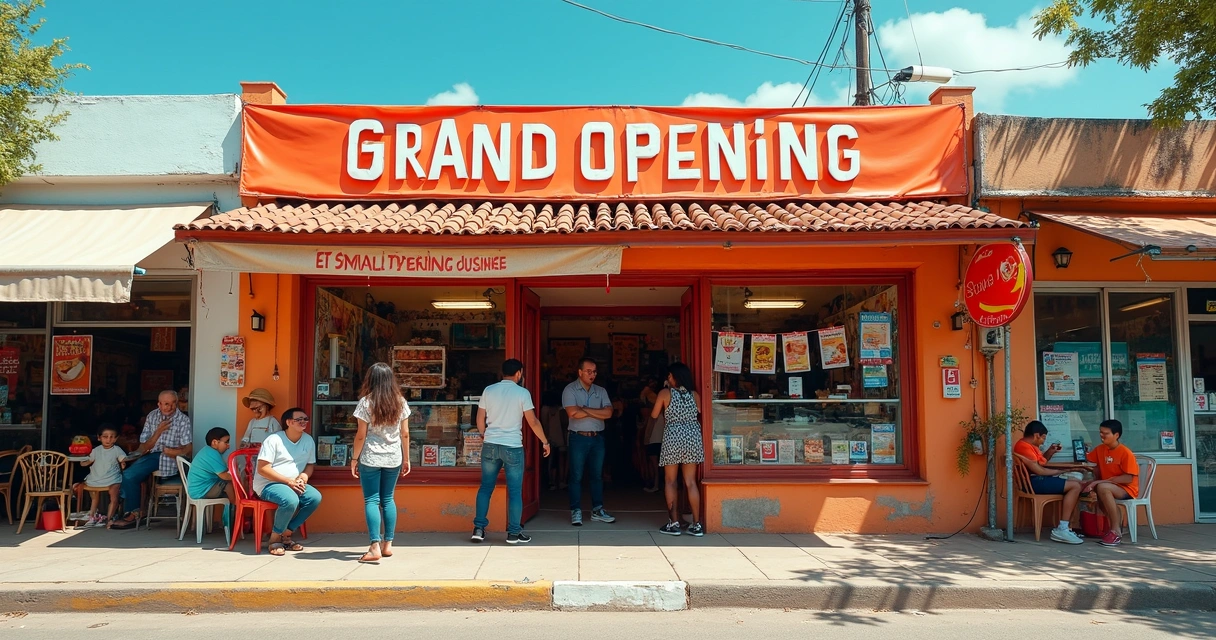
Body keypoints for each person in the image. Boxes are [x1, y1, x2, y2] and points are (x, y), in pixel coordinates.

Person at [472, 359, 551, 544]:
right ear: (519, 373)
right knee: (515, 492)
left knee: (485, 488)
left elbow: (480, 416)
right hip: (513, 447)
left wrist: (484, 434)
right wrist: (545, 441)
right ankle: (514, 533)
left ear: (502, 373)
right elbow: (532, 421)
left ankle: (478, 528)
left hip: (491, 445)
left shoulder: (489, 390)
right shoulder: (522, 393)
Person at [351, 362, 412, 563]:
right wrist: (407, 458)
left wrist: (354, 458)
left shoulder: (365, 403)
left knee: (371, 500)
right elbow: (405, 433)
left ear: (371, 379)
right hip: (393, 457)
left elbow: (361, 435)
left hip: (370, 457)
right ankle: (388, 545)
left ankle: (374, 545)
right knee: (388, 499)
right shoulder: (400, 402)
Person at [112, 390, 193, 530]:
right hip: (154, 456)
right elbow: (144, 446)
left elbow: (188, 449)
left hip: (174, 459)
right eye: (166, 404)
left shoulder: (183, 420)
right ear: (159, 404)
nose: (170, 407)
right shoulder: (152, 416)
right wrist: (158, 432)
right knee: (129, 475)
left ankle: (137, 511)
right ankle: (134, 513)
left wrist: (173, 451)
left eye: (174, 403)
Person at [255, 407, 321, 556]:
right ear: (289, 422)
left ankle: (287, 532)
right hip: (269, 484)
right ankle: (274, 539)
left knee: (314, 497)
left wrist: (304, 476)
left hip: (294, 483)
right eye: (299, 419)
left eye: (305, 419)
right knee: (290, 500)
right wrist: (288, 481)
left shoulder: (308, 439)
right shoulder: (274, 440)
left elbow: (310, 464)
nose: (304, 422)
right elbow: (263, 469)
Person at [651, 362, 706, 536]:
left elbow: (653, 414)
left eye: (669, 376)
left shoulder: (665, 393)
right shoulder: (694, 394)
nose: (668, 378)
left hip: (673, 436)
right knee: (690, 481)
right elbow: (699, 411)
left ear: (676, 377)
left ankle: (673, 523)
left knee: (670, 481)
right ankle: (696, 524)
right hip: (692, 437)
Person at [562, 357, 616, 526]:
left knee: (597, 476)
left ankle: (597, 510)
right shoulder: (569, 390)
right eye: (589, 371)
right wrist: (597, 411)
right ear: (580, 372)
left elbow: (609, 414)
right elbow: (572, 413)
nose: (592, 374)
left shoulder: (600, 391)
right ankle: (575, 510)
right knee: (576, 475)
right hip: (578, 437)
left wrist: (584, 409)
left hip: (597, 438)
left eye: (594, 372)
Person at [1013, 421, 1085, 544]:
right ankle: (1062, 528)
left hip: (1035, 480)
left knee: (1076, 479)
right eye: (1043, 438)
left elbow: (1041, 463)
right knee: (1075, 486)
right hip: (1034, 482)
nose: (1043, 441)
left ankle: (1067, 526)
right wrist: (1059, 472)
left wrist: (1050, 452)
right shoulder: (1024, 447)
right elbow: (1039, 470)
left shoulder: (1030, 446)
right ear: (1036, 435)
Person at [1084, 419, 1140, 547]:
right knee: (1097, 488)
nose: (1102, 436)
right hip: (1108, 486)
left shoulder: (1125, 453)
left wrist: (1100, 481)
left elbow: (1128, 479)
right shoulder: (1100, 449)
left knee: (1102, 487)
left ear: (1116, 435)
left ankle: (1116, 532)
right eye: (1100, 432)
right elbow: (1089, 461)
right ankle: (1111, 527)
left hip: (1126, 488)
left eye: (1106, 433)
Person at [70, 425, 126, 528]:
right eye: (105, 436)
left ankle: (109, 519)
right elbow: (87, 462)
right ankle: (92, 516)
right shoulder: (96, 450)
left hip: (112, 478)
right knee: (93, 496)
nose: (108, 439)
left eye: (112, 437)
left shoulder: (117, 450)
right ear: (99, 437)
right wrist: (81, 459)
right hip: (95, 478)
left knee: (114, 496)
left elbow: (123, 460)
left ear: (116, 438)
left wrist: (123, 464)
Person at [187, 427, 236, 506]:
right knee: (228, 484)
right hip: (202, 490)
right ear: (215, 442)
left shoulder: (207, 451)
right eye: (226, 442)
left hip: (198, 490)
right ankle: (237, 505)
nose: (228, 446)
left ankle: (232, 510)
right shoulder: (212, 454)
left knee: (229, 488)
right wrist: (239, 477)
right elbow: (225, 476)